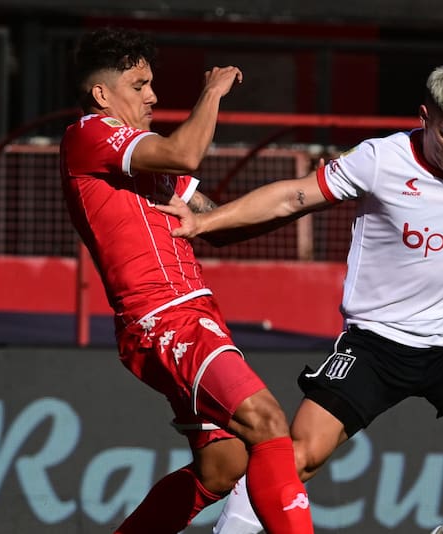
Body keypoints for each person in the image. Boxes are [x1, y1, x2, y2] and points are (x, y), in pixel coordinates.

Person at [158, 64, 443, 534]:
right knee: (297, 457)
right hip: (377, 344)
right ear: (425, 117)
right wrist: (204, 222)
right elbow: (293, 196)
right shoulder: (380, 159)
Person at [58, 27, 313, 534]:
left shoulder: (142, 157)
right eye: (139, 84)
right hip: (163, 317)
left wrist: (313, 194)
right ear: (102, 95)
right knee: (267, 422)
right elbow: (185, 154)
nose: (152, 95)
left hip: (190, 312)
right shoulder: (89, 133)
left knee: (225, 465)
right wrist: (212, 92)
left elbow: (214, 223)